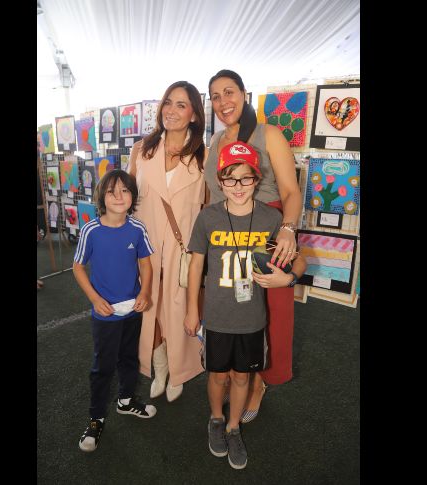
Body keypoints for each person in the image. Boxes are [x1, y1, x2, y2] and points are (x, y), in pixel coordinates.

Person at [184, 141, 306, 470]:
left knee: (241, 378)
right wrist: (191, 308)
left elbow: (301, 261)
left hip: (252, 319)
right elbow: (196, 266)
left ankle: (233, 426)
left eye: (245, 178)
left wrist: (288, 280)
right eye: (230, 178)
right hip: (217, 317)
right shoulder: (208, 217)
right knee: (217, 376)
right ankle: (215, 418)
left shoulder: (271, 219)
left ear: (257, 178)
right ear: (220, 181)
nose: (238, 186)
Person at [206, 69, 303, 423]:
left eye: (229, 92)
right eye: (215, 96)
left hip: (267, 229)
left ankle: (261, 380)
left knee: (273, 308)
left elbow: (291, 192)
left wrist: (288, 230)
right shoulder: (215, 143)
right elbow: (211, 196)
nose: (222, 102)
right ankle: (237, 373)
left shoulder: (269, 134)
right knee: (234, 306)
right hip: (227, 233)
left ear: (245, 94)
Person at [128, 81, 207, 402]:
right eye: (168, 103)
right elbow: (128, 200)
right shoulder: (142, 150)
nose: (171, 111)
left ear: (194, 115)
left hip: (184, 250)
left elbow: (209, 208)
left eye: (181, 105)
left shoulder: (205, 156)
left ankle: (180, 369)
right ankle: (159, 367)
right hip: (144, 247)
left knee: (179, 310)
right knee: (150, 308)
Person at [72, 169, 157, 453]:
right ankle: (96, 418)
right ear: (102, 197)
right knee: (103, 367)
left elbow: (145, 263)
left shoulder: (137, 228)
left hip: (132, 310)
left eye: (124, 190)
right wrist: (95, 299)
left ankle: (126, 402)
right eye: (112, 191)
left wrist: (144, 293)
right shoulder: (90, 230)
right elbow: (77, 267)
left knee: (129, 358)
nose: (119, 196)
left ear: (132, 195)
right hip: (105, 316)